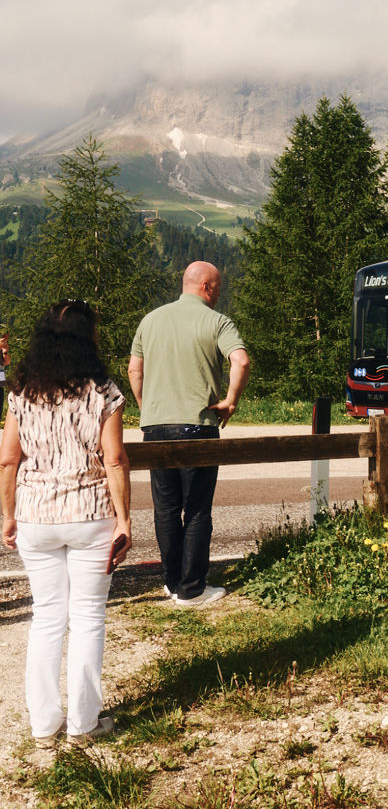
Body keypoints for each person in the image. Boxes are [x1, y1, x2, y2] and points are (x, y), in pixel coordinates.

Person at [0, 299, 131, 748]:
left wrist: (9, 514)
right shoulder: (103, 392)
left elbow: (7, 460)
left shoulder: (20, 392)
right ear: (86, 339)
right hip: (90, 513)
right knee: (88, 617)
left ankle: (43, 726)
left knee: (46, 618)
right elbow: (114, 459)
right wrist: (125, 520)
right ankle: (83, 722)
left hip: (37, 514)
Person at [128, 261, 250, 608]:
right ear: (208, 287)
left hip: (155, 426)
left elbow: (134, 368)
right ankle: (192, 588)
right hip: (198, 424)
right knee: (196, 509)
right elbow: (240, 361)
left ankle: (171, 582)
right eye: (219, 288)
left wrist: (147, 406)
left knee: (165, 508)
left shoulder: (150, 320)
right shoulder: (216, 321)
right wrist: (230, 401)